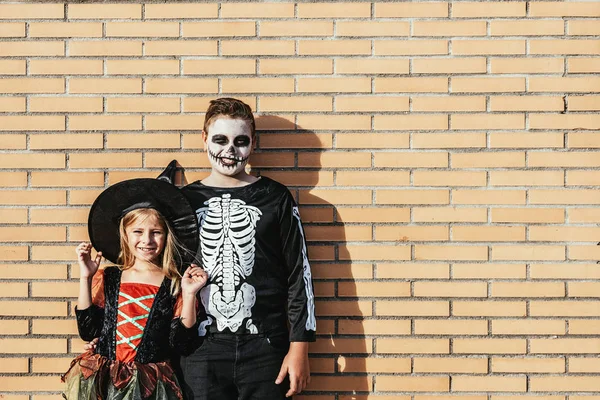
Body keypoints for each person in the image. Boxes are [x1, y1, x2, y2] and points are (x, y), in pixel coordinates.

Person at [178, 97, 317, 399]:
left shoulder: (275, 197)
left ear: (253, 143)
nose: (230, 150)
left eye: (240, 141)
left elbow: (298, 275)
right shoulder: (183, 201)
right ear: (204, 140)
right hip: (201, 348)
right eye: (220, 139)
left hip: (265, 346)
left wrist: (299, 348)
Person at [62, 178, 208, 400]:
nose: (147, 240)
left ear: (167, 235)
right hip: (105, 381)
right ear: (125, 234)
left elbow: (182, 343)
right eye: (138, 231)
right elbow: (89, 331)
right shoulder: (108, 278)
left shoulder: (174, 283)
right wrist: (86, 277)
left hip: (150, 385)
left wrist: (189, 294)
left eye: (156, 232)